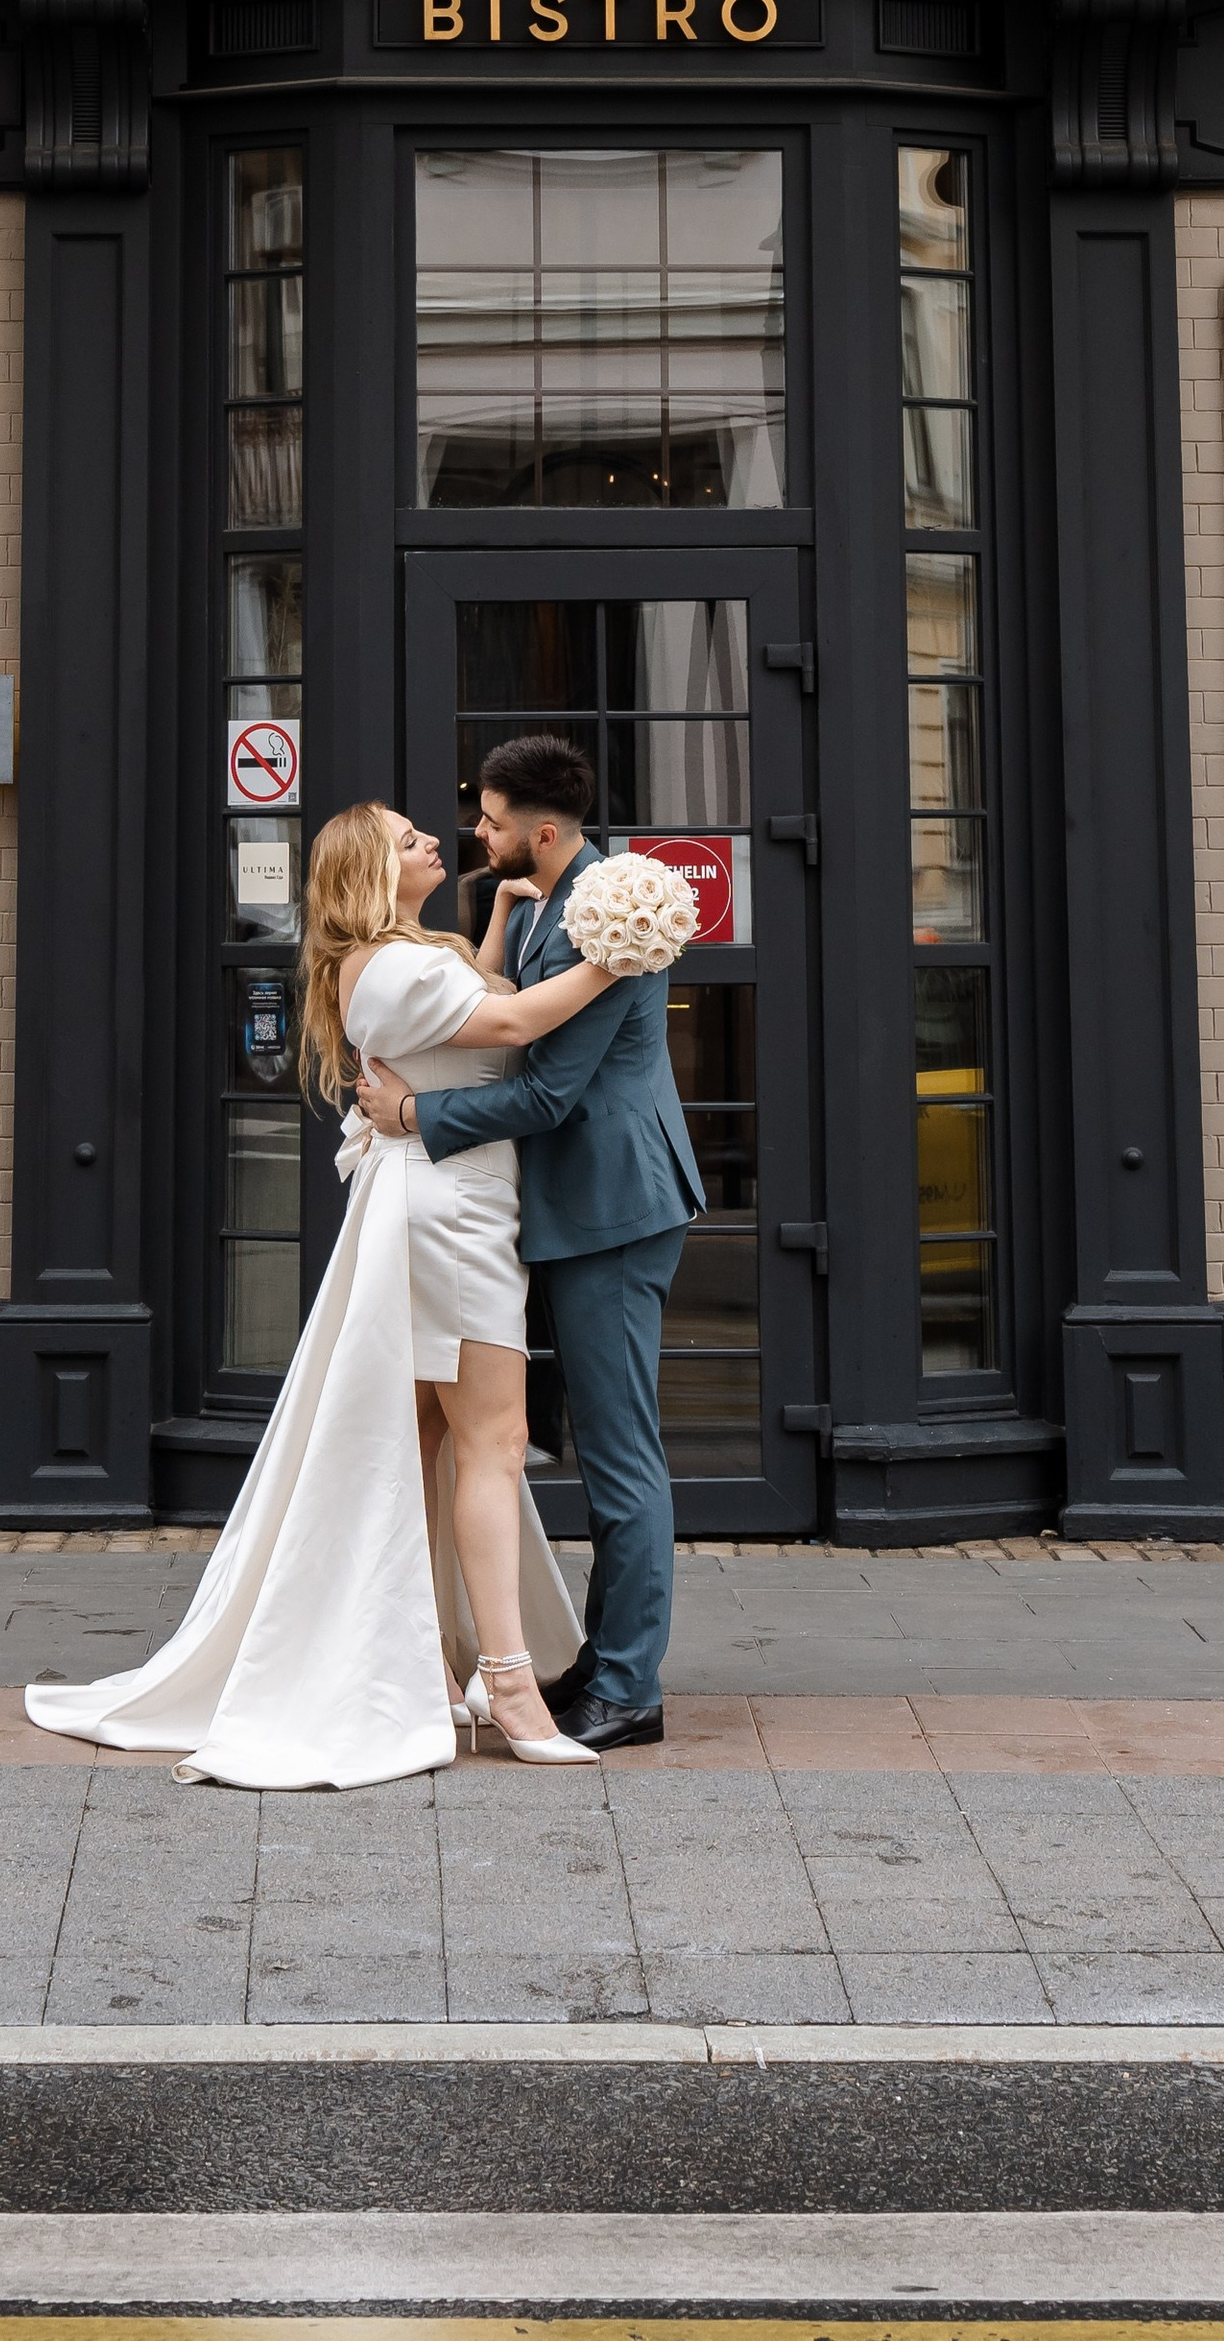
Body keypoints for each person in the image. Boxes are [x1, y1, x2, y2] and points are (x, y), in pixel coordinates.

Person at [22, 799, 630, 1786]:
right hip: (455, 1221)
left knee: (437, 1446)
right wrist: (618, 955)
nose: (433, 841)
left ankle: (437, 1667)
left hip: (444, 1207)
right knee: (494, 1441)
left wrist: (499, 919)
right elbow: (514, 1018)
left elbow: (477, 996)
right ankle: (509, 1686)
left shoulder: (402, 959)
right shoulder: (388, 969)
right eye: (408, 841)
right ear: (367, 874)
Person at [356, 733, 705, 1753]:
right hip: (572, 1210)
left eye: (492, 820)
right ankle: (601, 1664)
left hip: (612, 1208)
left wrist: (419, 1117)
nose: (476, 831)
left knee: (619, 1452)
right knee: (602, 1447)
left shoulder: (609, 916)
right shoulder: (551, 898)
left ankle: (629, 1687)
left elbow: (550, 1092)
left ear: (540, 832)